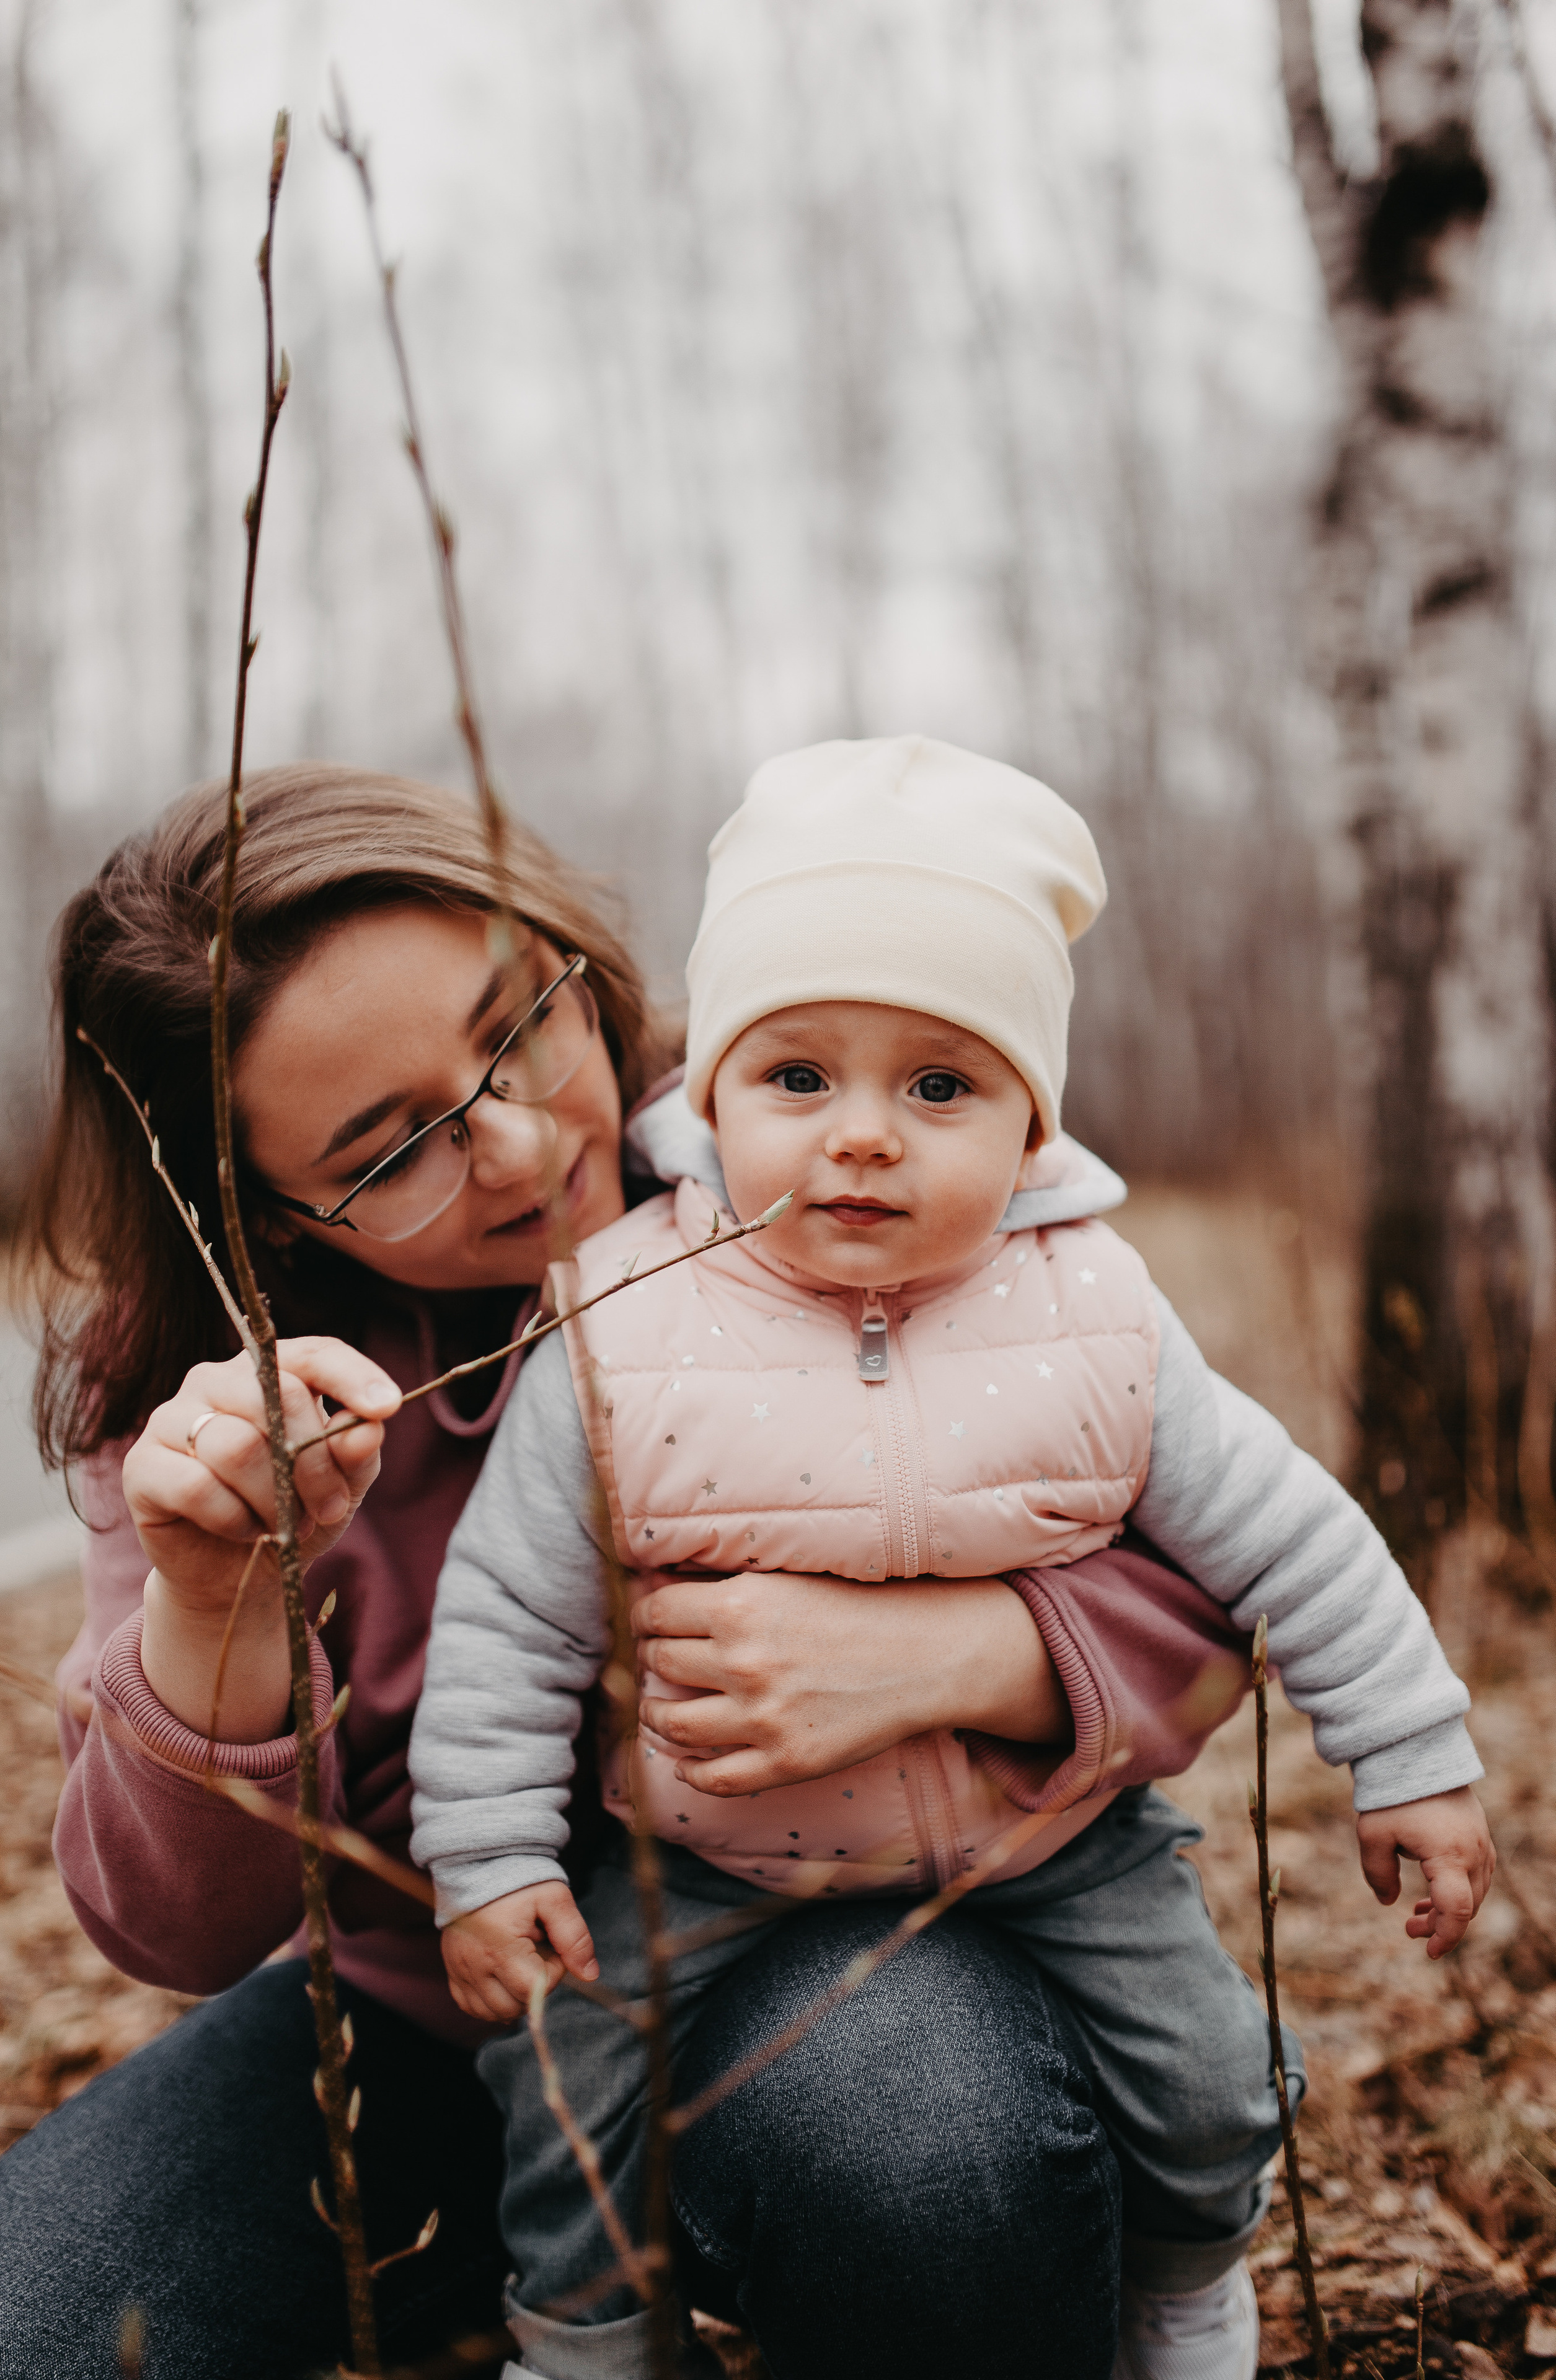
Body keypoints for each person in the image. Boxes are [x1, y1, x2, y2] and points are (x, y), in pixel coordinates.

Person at [0, 763, 1261, 2380]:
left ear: (575, 951)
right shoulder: (214, 1406)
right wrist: (217, 1601)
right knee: (16, 2334)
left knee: (924, 2139)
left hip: (841, 1943)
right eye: (393, 1149)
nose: (515, 1144)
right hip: (439, 2022)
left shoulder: (811, 1152)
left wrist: (970, 1656)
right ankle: (542, 2285)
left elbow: (1221, 1594)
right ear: (273, 1215)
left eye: (520, 1026)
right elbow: (178, 1931)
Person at [411, 735, 1497, 2380]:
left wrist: (1409, 1752)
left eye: (940, 1085)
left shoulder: (1096, 1312)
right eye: (800, 1079)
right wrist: (491, 1856)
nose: (863, 1136)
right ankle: (585, 2336)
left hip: (1049, 1832)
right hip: (697, 1856)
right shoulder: (623, 1321)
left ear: (1031, 1126)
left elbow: (1294, 1544)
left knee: (1211, 2080)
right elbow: (508, 1616)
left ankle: (1184, 2278)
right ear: (707, 1097)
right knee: (566, 2086)